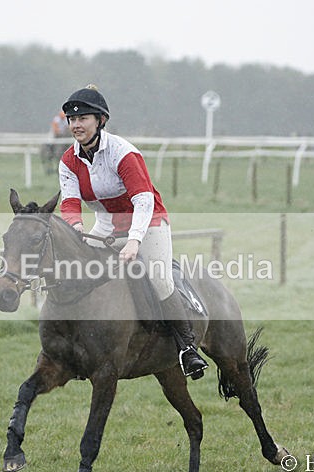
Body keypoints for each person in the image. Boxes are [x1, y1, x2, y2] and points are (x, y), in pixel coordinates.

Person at [57, 84, 208, 379]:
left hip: (148, 222)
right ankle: (81, 346)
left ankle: (187, 348)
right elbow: (70, 203)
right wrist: (76, 230)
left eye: (83, 118)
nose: (76, 125)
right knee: (82, 272)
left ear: (100, 120)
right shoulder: (68, 161)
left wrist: (135, 241)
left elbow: (143, 200)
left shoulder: (123, 153)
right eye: (72, 120)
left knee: (159, 278)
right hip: (107, 225)